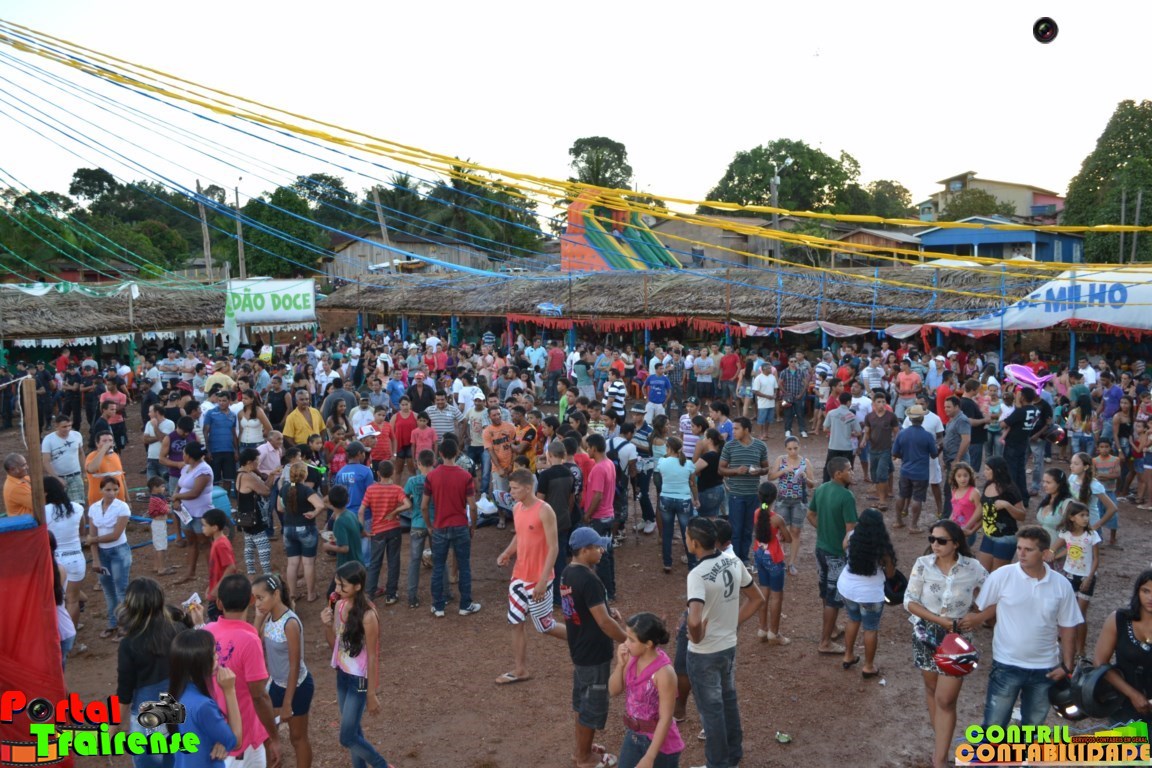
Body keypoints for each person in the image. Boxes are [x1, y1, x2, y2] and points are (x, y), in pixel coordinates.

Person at [963, 526, 1083, 728]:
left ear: (1044, 553)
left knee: (1034, 727)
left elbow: (1068, 626)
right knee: (993, 725)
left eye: (1028, 549)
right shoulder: (1001, 576)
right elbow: (985, 606)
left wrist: (1067, 665)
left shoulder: (1061, 585)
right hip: (1006, 663)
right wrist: (977, 618)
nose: (1021, 553)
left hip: (1045, 668)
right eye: (1019, 548)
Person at [904, 520, 988, 768]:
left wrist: (978, 616)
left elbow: (994, 593)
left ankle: (939, 759)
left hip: (958, 640)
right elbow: (909, 601)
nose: (935, 544)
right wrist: (942, 621)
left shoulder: (973, 567)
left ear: (956, 543)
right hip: (926, 635)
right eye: (932, 539)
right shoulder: (922, 564)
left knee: (946, 699)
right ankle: (940, 744)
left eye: (941, 540)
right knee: (931, 690)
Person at [684, 516, 764, 768]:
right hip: (728, 646)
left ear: (695, 543)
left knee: (712, 712)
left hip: (704, 653)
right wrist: (732, 622)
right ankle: (733, 755)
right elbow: (757, 598)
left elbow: (694, 620)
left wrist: (696, 636)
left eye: (687, 537)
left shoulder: (697, 575)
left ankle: (718, 764)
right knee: (728, 701)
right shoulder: (733, 560)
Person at [560, 527, 628, 768]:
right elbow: (604, 622)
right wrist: (627, 641)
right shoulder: (589, 579)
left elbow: (583, 607)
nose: (602, 550)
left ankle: (582, 750)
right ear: (584, 550)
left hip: (580, 649)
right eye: (597, 547)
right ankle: (585, 758)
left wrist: (607, 609)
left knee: (582, 702)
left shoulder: (567, 573)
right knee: (591, 706)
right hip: (594, 652)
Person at [495, 468, 566, 684]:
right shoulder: (517, 508)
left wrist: (543, 581)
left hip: (538, 578)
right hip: (519, 576)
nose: (511, 492)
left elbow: (554, 547)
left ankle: (583, 637)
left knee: (545, 625)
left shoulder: (545, 510)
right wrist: (508, 553)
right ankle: (520, 670)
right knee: (515, 621)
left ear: (527, 488)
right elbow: (520, 535)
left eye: (515, 488)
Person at [320, 562, 395, 768]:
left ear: (357, 586)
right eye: (336, 584)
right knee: (353, 731)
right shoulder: (339, 605)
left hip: (359, 680)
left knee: (347, 737)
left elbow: (372, 656)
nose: (337, 590)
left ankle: (381, 765)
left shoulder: (368, 616)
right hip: (342, 675)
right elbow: (335, 645)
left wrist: (371, 694)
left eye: (342, 585)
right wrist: (327, 626)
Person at [115, 578, 185, 768]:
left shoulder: (129, 645)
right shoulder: (177, 629)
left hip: (146, 717)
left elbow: (124, 693)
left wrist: (114, 726)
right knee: (175, 760)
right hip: (174, 708)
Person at [253, 575, 313, 768]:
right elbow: (253, 644)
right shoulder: (268, 617)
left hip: (297, 686)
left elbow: (295, 665)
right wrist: (258, 618)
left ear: (276, 594)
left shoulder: (290, 623)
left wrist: (288, 703)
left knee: (297, 737)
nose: (257, 603)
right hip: (276, 684)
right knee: (265, 734)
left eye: (260, 598)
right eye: (255, 599)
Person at [610, 612, 685, 768]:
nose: (625, 643)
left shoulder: (664, 673)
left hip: (660, 745)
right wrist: (620, 665)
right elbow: (613, 690)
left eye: (631, 640)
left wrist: (650, 757)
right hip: (634, 735)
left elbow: (666, 718)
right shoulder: (631, 658)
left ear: (648, 644)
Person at [424, 438, 481, 618]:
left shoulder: (431, 476)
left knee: (438, 567)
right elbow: (473, 506)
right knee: (464, 566)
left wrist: (429, 526)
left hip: (440, 526)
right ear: (457, 453)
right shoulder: (465, 476)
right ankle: (465, 604)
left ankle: (438, 606)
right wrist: (473, 526)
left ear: (440, 454)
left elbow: (424, 506)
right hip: (460, 525)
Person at [837, 508, 896, 679]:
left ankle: (848, 655)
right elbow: (890, 574)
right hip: (870, 594)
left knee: (853, 619)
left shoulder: (851, 536)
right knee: (870, 628)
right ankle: (868, 666)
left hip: (847, 587)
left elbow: (843, 548)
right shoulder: (882, 547)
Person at [807, 456, 859, 655]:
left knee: (825, 592)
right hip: (837, 554)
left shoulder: (821, 489)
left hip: (821, 549)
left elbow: (810, 514)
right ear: (838, 474)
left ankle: (833, 629)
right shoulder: (846, 496)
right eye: (849, 470)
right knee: (833, 599)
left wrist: (823, 530)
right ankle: (825, 642)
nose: (852, 473)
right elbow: (850, 529)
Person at [168, 629, 242, 768]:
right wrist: (230, 691)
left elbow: (203, 732)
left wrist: (220, 740)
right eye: (213, 653)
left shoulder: (177, 695)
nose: (217, 657)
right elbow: (236, 741)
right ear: (200, 663)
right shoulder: (203, 705)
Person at [1092, 570, 1152, 735]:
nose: (1150, 598)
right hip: (1123, 704)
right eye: (1146, 591)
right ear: (1137, 592)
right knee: (1127, 749)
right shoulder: (1119, 620)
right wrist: (1132, 694)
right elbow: (1100, 663)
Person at [1051, 500, 1100, 659]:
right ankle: (1071, 647)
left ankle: (1080, 649)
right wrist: (1052, 555)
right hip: (1069, 575)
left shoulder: (1091, 535)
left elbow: (1096, 559)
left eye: (1087, 515)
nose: (1086, 518)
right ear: (1072, 517)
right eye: (1082, 515)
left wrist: (1089, 577)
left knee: (1080, 613)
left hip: (1086, 577)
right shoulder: (1066, 534)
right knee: (1069, 612)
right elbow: (1065, 549)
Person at [86, 475, 132, 640]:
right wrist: (95, 558)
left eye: (115, 489)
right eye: (108, 490)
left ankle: (124, 626)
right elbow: (92, 535)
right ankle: (113, 624)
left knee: (120, 590)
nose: (112, 493)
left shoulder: (122, 507)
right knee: (109, 590)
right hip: (104, 553)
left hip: (118, 551)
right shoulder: (94, 508)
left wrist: (94, 541)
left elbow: (115, 535)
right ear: (101, 490)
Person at [718, 416, 769, 566]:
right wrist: (736, 471)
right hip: (736, 494)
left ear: (746, 430)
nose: (733, 431)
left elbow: (766, 468)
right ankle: (734, 558)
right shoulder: (729, 446)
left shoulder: (760, 446)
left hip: (753, 494)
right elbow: (720, 469)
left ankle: (744, 558)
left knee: (748, 529)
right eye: (733, 428)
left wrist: (759, 471)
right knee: (735, 529)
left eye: (736, 428)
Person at [362, 460, 411, 604]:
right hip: (394, 529)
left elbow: (361, 511)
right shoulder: (397, 489)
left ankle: (369, 594)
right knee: (393, 561)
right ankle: (391, 594)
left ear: (378, 473)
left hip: (377, 531)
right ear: (393, 472)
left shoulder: (371, 489)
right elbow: (408, 504)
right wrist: (395, 511)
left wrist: (362, 530)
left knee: (375, 562)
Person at [278, 463, 326, 603]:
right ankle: (311, 594)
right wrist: (314, 513)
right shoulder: (306, 490)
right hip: (306, 528)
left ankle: (292, 594)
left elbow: (280, 508)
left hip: (288, 528)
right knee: (308, 563)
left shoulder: (284, 488)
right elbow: (320, 505)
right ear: (305, 474)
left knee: (292, 564)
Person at [753, 482, 792, 645]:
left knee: (764, 592)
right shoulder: (777, 519)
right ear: (775, 497)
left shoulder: (757, 512)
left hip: (759, 554)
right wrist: (780, 536)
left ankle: (762, 629)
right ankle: (774, 633)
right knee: (776, 596)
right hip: (773, 557)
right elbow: (789, 538)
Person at [46, 475, 86, 628]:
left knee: (57, 599)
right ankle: (72, 634)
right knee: (73, 600)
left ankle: (62, 632)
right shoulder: (77, 508)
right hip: (75, 557)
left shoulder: (44, 511)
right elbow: (82, 531)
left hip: (55, 559)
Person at [975, 456, 1027, 574]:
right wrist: (969, 527)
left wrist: (1007, 505)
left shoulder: (1010, 489)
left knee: (997, 576)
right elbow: (982, 508)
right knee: (983, 574)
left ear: (997, 470)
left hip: (1005, 537)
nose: (984, 472)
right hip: (988, 534)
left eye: (988, 469)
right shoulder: (988, 485)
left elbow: (1022, 516)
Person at [655, 436, 698, 575]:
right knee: (687, 533)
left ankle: (667, 563)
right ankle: (692, 564)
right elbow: (693, 484)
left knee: (667, 532)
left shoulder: (662, 462)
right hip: (684, 500)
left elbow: (661, 476)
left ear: (668, 448)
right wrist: (696, 499)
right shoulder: (689, 464)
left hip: (666, 498)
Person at [892, 405, 938, 533]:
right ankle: (913, 525)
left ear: (910, 419)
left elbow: (894, 453)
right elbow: (934, 454)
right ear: (922, 418)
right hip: (921, 473)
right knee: (917, 498)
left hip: (905, 470)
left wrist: (904, 457)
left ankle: (898, 521)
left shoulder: (902, 433)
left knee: (902, 495)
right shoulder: (927, 435)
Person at [173, 443, 214, 585]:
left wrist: (177, 497)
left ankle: (214, 575)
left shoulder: (204, 471)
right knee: (191, 541)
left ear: (190, 456)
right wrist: (177, 498)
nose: (182, 456)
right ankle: (190, 572)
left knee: (204, 543)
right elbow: (179, 485)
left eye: (184, 453)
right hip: (186, 511)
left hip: (200, 512)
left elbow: (195, 493)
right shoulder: (187, 468)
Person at [403, 450, 436, 608]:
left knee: (414, 561)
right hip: (435, 523)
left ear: (419, 464)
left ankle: (412, 597)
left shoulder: (412, 480)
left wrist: (410, 506)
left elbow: (403, 497)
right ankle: (444, 594)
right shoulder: (437, 478)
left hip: (417, 522)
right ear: (433, 462)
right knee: (439, 559)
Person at [235, 448, 273, 576]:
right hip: (253, 516)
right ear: (249, 462)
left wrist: (271, 475)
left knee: (249, 545)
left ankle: (251, 574)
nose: (258, 463)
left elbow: (264, 488)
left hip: (244, 515)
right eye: (257, 460)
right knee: (264, 546)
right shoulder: (248, 476)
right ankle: (267, 574)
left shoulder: (240, 473)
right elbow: (266, 491)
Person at [42, 414, 87, 506]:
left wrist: (84, 470)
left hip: (75, 476)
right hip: (58, 477)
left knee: (78, 505)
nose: (68, 429)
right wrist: (56, 478)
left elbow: (81, 453)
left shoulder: (77, 435)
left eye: (69, 426)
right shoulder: (48, 440)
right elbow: (46, 461)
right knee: (58, 505)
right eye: (64, 427)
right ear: (56, 426)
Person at [203, 509, 237, 623]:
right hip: (219, 590)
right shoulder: (218, 542)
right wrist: (211, 586)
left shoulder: (221, 544)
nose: (203, 528)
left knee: (215, 619)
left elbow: (231, 567)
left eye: (205, 525)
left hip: (221, 592)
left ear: (214, 528)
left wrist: (216, 588)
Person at [146, 475, 175, 576]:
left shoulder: (156, 498)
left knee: (157, 545)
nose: (164, 488)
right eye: (162, 486)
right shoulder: (157, 500)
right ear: (155, 488)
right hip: (159, 524)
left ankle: (156, 566)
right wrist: (171, 507)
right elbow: (165, 510)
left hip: (158, 524)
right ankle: (161, 568)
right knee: (161, 547)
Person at [947, 462, 981, 547]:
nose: (963, 479)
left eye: (965, 475)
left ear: (970, 476)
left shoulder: (974, 492)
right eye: (959, 476)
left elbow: (981, 514)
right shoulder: (954, 489)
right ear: (954, 477)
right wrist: (948, 523)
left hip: (967, 531)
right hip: (955, 528)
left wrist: (971, 530)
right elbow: (955, 510)